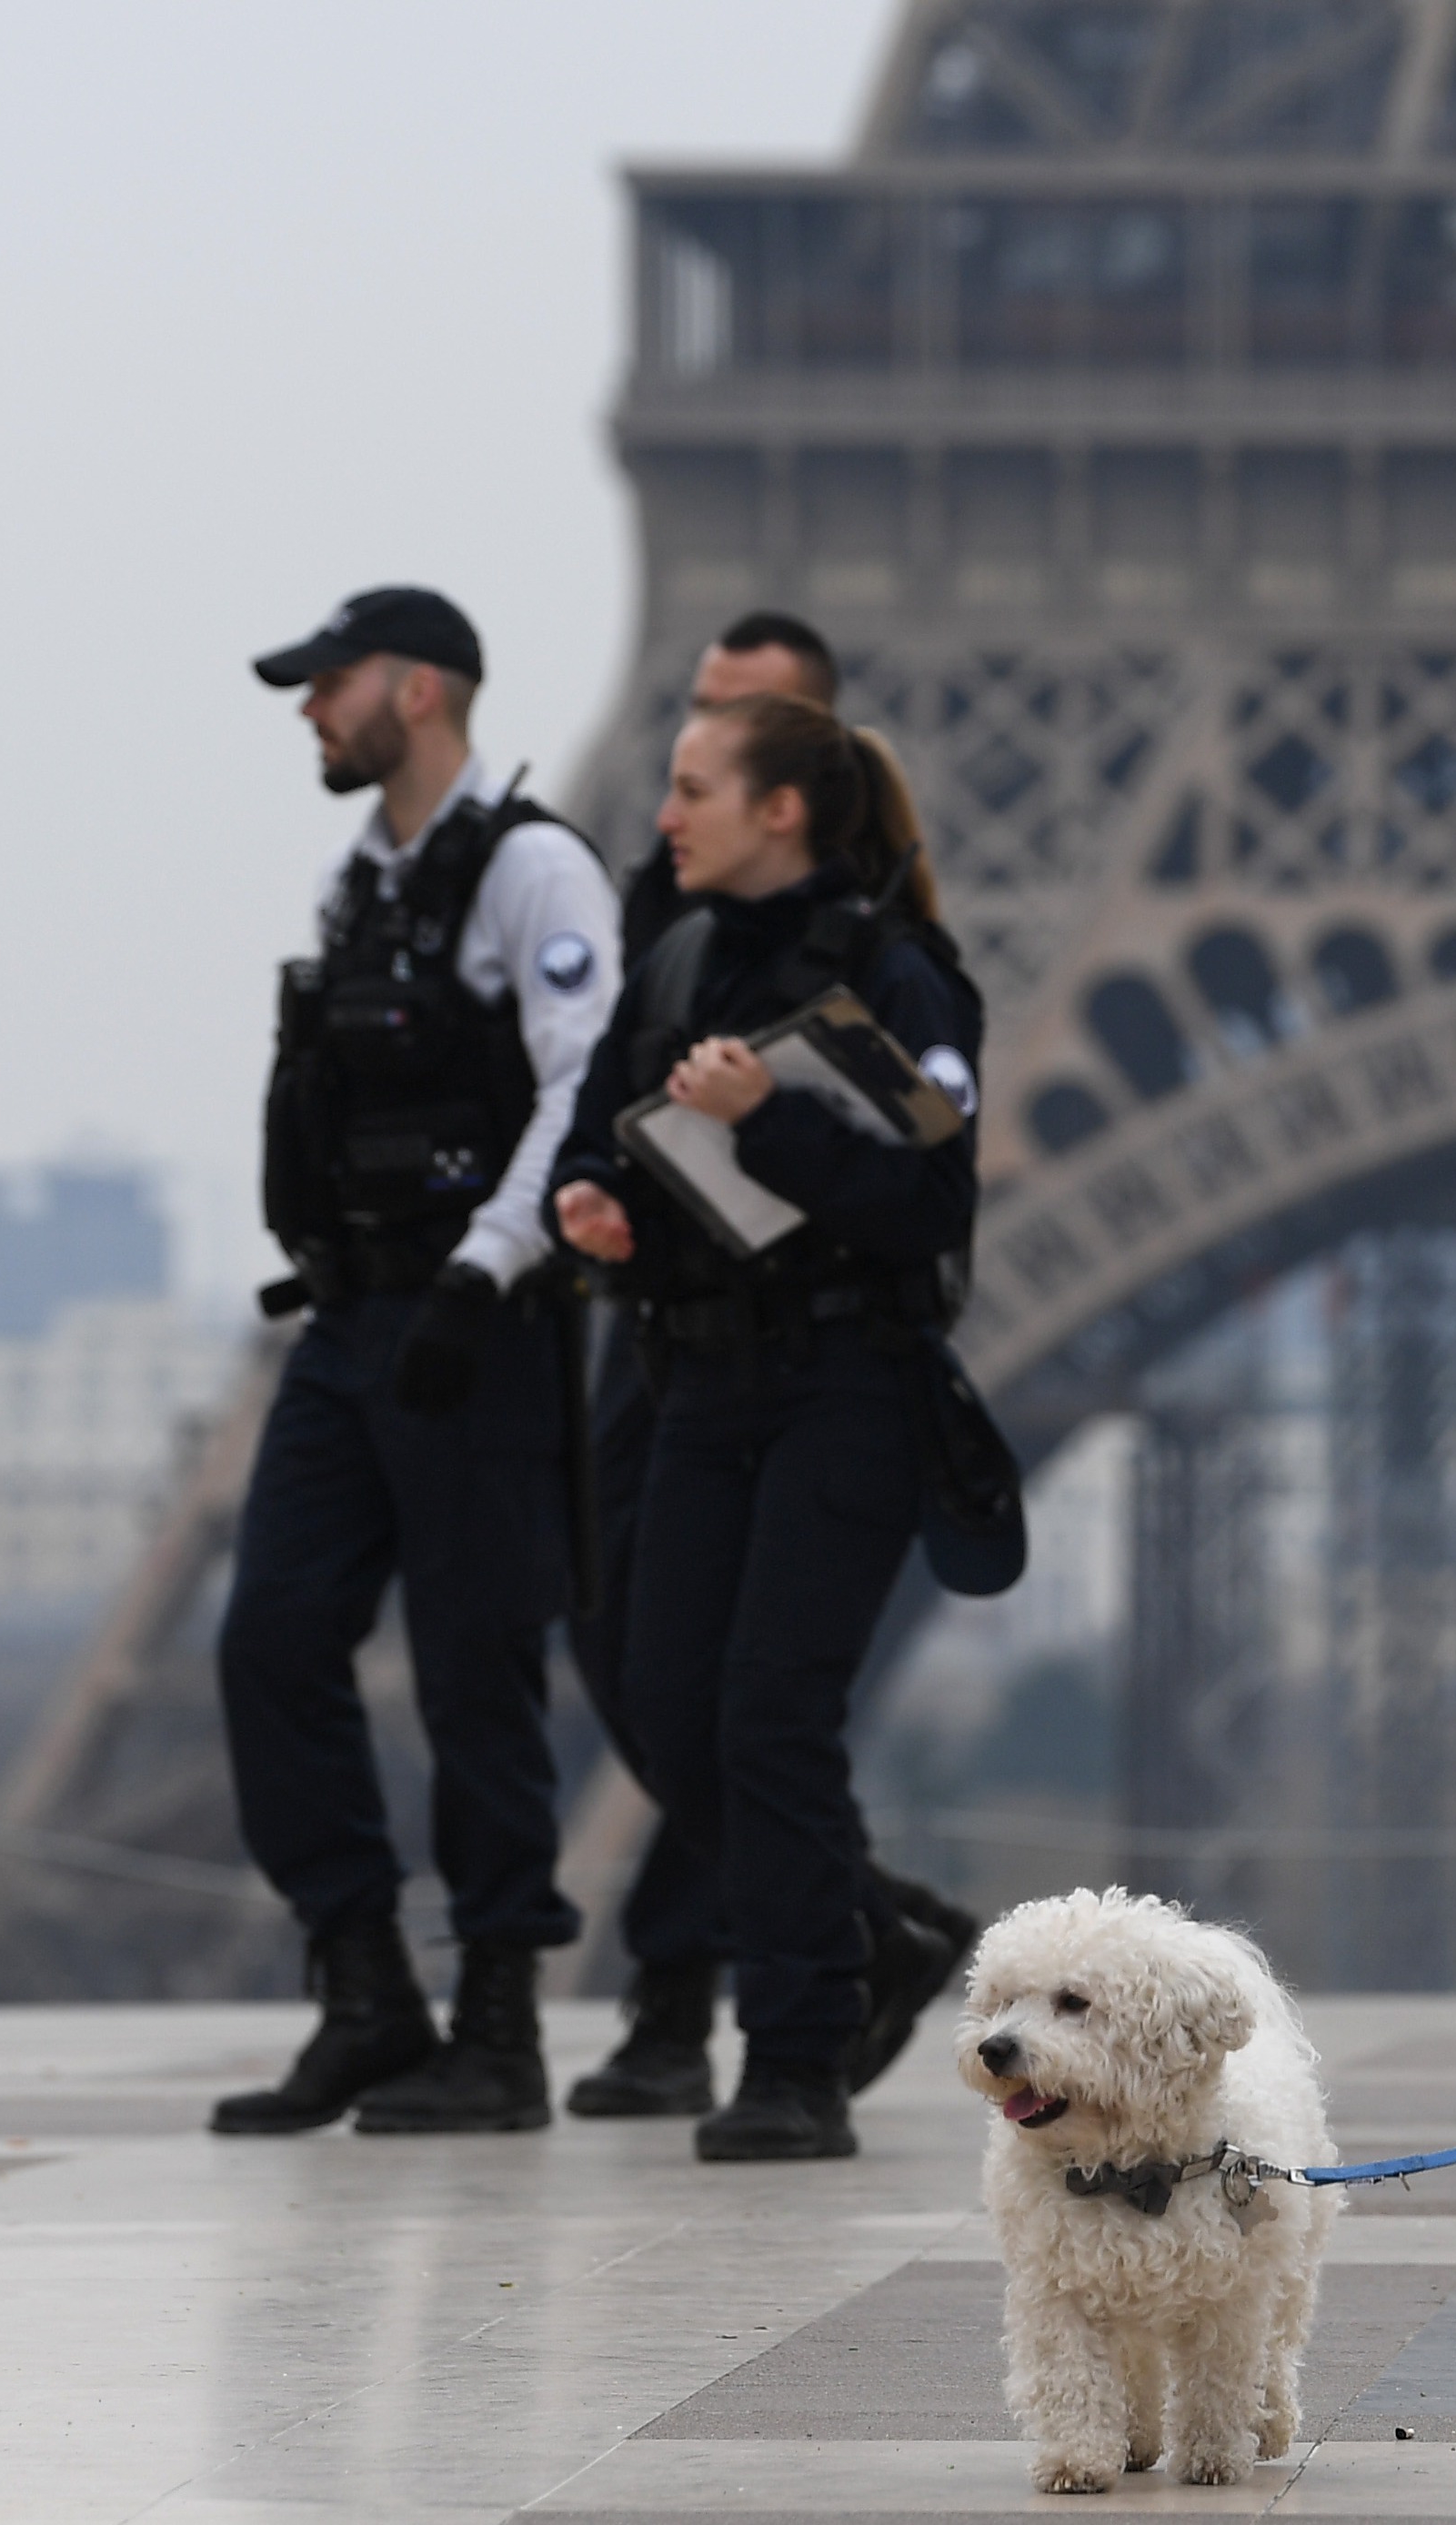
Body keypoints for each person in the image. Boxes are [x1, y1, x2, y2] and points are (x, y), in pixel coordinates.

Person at [557, 613, 982, 2122]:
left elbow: (931, 1205)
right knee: (669, 1707)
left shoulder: (899, 974)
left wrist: (771, 1123)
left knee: (770, 1714)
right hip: (697, 1383)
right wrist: (597, 1209)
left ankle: (795, 2051)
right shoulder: (671, 956)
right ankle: (863, 1938)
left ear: (780, 808)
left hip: (844, 1389)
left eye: (692, 791)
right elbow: (608, 1125)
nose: (661, 818)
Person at [211, 587, 620, 2137]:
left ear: (425, 688)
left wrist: (482, 1273)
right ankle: (367, 1987)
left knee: (474, 1671)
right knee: (270, 1637)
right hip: (348, 1319)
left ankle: (500, 2026)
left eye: (330, 681)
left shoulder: (533, 870)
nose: (311, 709)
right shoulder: (358, 881)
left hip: (475, 1321)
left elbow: (580, 1094)